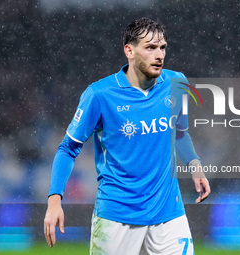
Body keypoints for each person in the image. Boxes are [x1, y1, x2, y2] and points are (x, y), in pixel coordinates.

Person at [44, 17, 210, 255]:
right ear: (129, 51)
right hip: (117, 215)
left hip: (168, 213)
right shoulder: (99, 94)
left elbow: (180, 133)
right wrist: (54, 200)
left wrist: (194, 164)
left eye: (162, 47)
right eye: (150, 47)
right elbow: (68, 148)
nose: (159, 55)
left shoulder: (177, 82)